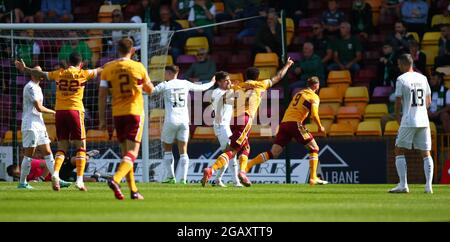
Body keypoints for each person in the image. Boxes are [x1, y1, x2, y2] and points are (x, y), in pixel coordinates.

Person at [201, 57, 295, 187]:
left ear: (246, 76)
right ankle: (211, 170)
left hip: (233, 120)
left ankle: (242, 173)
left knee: (246, 147)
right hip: (245, 119)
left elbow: (224, 98)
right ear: (257, 77)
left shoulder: (238, 85)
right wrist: (287, 65)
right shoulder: (261, 84)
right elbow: (278, 77)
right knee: (232, 151)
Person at [15, 52, 102, 192]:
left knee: (62, 147)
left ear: (68, 63)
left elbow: (41, 74)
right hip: (75, 111)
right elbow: (100, 70)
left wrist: (25, 69)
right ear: (80, 63)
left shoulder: (59, 73)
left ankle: (55, 174)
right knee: (81, 147)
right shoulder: (83, 73)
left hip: (60, 112)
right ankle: (79, 180)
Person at [98, 37, 155, 200]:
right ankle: (115, 180)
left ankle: (133, 191)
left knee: (125, 155)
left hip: (117, 114)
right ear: (133, 50)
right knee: (132, 154)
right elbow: (150, 90)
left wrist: (102, 119)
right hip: (134, 112)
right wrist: (142, 85)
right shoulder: (138, 67)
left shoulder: (108, 68)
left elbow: (102, 95)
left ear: (118, 49)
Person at [246, 76, 328, 185]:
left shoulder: (299, 94)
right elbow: (314, 114)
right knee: (314, 148)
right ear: (316, 86)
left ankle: (248, 165)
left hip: (284, 124)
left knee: (273, 153)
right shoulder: (314, 96)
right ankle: (313, 177)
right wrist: (320, 126)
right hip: (295, 124)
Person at [152, 65, 215, 184]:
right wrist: (212, 82)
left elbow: (150, 91)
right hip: (184, 121)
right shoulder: (185, 83)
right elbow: (201, 88)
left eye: (165, 73)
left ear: (169, 73)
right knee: (183, 151)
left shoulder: (165, 85)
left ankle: (170, 178)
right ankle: (183, 179)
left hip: (170, 121)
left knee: (167, 151)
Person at [12, 65, 69, 190]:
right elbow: (38, 107)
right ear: (33, 74)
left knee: (48, 152)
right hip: (30, 124)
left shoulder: (38, 87)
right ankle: (22, 182)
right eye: (39, 72)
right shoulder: (30, 87)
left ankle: (57, 178)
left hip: (39, 123)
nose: (42, 74)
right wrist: (54, 112)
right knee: (29, 154)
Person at [390, 53, 434, 194]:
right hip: (423, 120)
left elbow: (397, 101)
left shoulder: (401, 79)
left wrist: (397, 117)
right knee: (426, 153)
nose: (398, 67)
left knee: (399, 149)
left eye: (399, 64)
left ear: (403, 64)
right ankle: (428, 186)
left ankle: (403, 185)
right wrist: (421, 111)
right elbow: (428, 101)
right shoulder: (423, 77)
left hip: (409, 119)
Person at [210, 71, 243, 187]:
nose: (229, 82)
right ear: (219, 82)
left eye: (229, 79)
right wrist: (234, 88)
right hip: (221, 126)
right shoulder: (216, 92)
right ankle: (235, 182)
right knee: (230, 153)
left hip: (225, 126)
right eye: (226, 81)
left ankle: (217, 179)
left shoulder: (226, 92)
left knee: (228, 154)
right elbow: (225, 98)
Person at [7, 150, 100, 183]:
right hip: (58, 178)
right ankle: (96, 176)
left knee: (74, 161)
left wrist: (42, 178)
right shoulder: (25, 178)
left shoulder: (30, 163)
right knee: (91, 181)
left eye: (18, 170)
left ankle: (86, 155)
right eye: (16, 175)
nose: (19, 174)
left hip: (56, 168)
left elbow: (48, 164)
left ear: (19, 166)